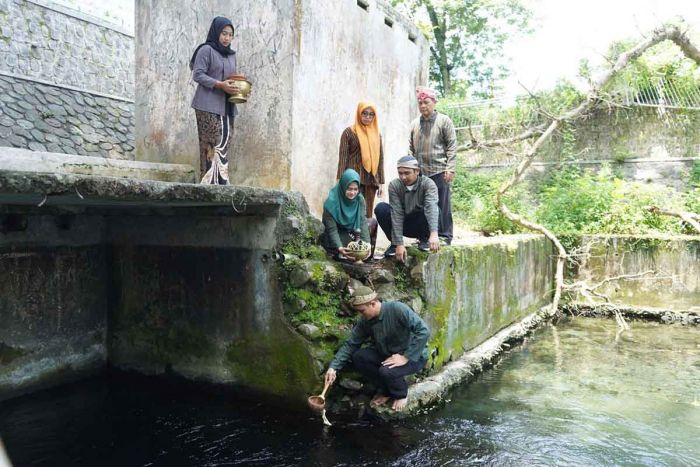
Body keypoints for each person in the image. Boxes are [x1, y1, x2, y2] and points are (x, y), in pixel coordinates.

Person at [325, 285, 430, 412]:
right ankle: (385, 391)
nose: (360, 315)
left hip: (414, 356)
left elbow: (423, 331)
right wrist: (333, 367)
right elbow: (351, 344)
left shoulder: (397, 309)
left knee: (386, 371)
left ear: (373, 303)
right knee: (359, 357)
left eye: (362, 311)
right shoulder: (365, 320)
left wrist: (405, 357)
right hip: (387, 354)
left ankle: (401, 393)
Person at [190, 16, 241, 185]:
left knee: (224, 143)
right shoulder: (206, 50)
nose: (227, 38)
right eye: (224, 33)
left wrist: (237, 86)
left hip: (227, 106)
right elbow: (198, 74)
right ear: (216, 33)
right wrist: (220, 85)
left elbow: (230, 78)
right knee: (211, 145)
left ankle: (222, 184)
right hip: (207, 106)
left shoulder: (231, 56)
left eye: (230, 35)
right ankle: (208, 186)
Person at [409, 86, 457, 245]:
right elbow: (410, 147)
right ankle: (425, 237)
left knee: (442, 205)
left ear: (434, 102)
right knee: (423, 207)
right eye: (420, 103)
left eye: (426, 102)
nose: (423, 106)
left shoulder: (444, 121)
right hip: (421, 174)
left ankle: (445, 236)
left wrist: (450, 168)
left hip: (439, 171)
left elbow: (451, 145)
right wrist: (411, 170)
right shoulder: (415, 124)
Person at [374, 155, 440, 263]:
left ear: (417, 171)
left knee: (431, 209)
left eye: (407, 173)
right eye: (400, 173)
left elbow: (431, 207)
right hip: (405, 224)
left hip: (421, 224)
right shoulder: (394, 186)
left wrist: (434, 234)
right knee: (381, 209)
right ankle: (394, 244)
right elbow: (396, 213)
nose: (403, 177)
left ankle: (425, 239)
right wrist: (399, 243)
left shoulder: (428, 184)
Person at [337, 101, 385, 218]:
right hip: (353, 180)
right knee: (351, 212)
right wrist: (340, 180)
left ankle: (367, 237)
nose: (367, 117)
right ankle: (350, 236)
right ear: (359, 114)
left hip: (371, 180)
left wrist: (381, 182)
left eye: (371, 114)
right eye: (364, 114)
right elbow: (343, 157)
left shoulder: (377, 134)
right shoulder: (349, 132)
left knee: (367, 213)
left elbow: (380, 158)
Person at [321, 169, 371, 261]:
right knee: (347, 251)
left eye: (355, 189)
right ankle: (338, 253)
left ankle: (366, 256)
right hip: (337, 233)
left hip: (352, 231)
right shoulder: (331, 203)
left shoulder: (360, 199)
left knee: (372, 223)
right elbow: (332, 230)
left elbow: (362, 222)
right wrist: (339, 247)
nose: (352, 193)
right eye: (349, 189)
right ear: (343, 187)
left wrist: (367, 245)